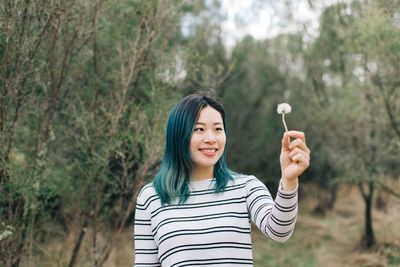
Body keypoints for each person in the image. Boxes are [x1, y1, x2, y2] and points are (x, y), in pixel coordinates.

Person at [134, 93, 310, 266]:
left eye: (218, 129)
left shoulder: (246, 187)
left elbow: (279, 231)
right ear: (178, 135)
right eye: (199, 129)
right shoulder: (151, 197)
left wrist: (289, 180)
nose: (211, 139)